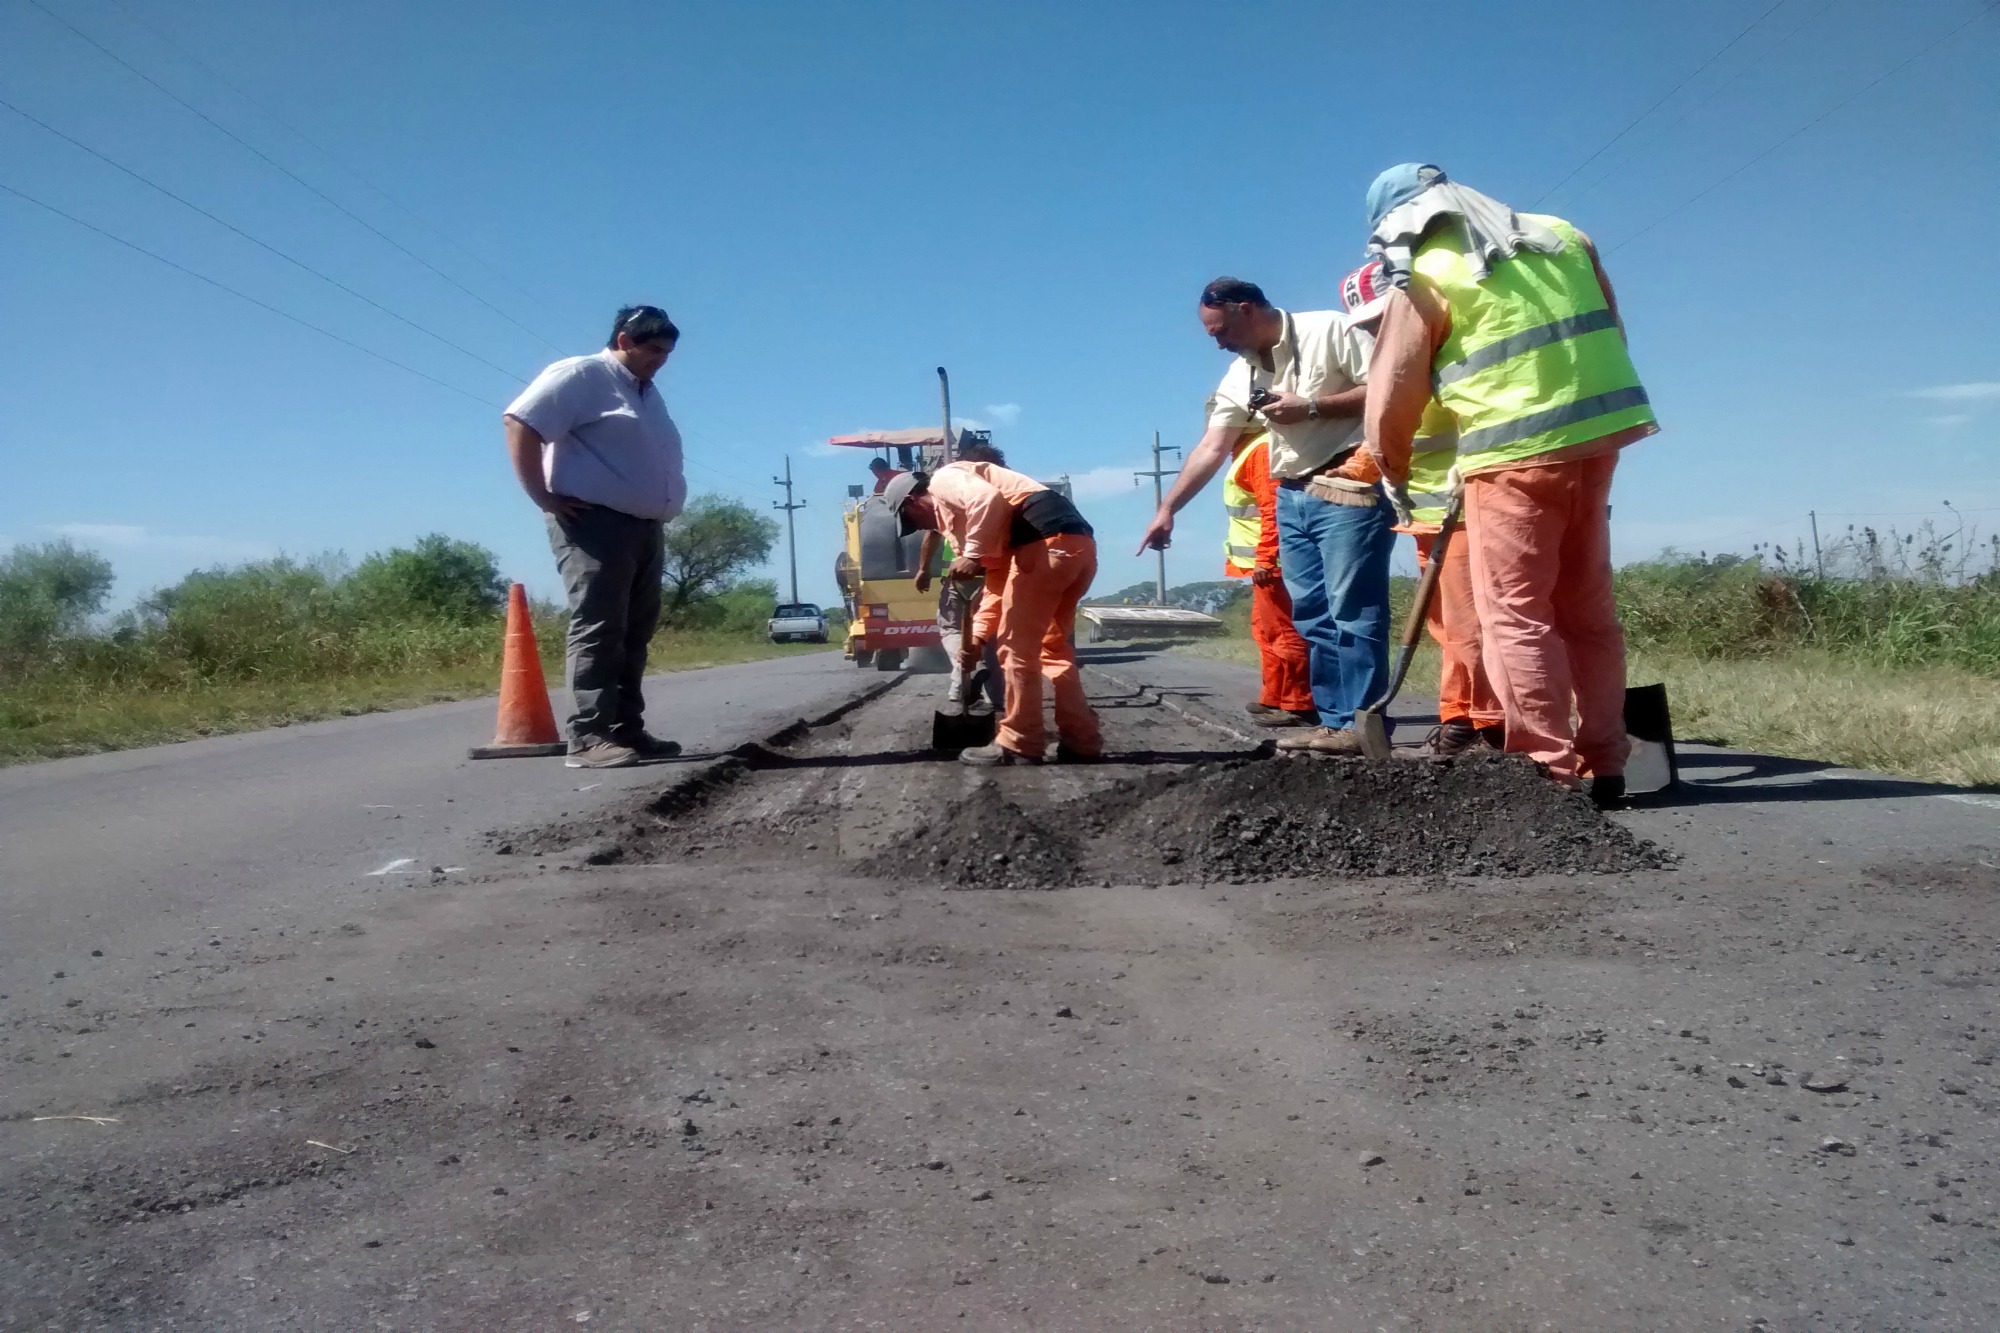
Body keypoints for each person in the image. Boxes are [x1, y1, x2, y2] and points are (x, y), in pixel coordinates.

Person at [1359, 164, 1658, 804]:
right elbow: (1610, 325)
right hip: (1597, 435)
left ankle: (1548, 772)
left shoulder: (1426, 272)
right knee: (1587, 611)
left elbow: (1392, 392)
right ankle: (1607, 763)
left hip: (1511, 452)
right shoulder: (1563, 235)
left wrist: (1391, 469)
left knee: (1515, 617)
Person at [1137, 277, 1392, 754]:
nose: (1217, 343)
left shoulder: (1329, 330)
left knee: (1353, 611)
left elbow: (1388, 386)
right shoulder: (1241, 373)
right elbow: (1212, 446)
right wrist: (1168, 509)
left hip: (1348, 482)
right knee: (1312, 614)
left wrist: (1312, 407)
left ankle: (1366, 727)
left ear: (1246, 309)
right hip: (1292, 492)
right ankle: (1335, 724)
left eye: (1220, 330)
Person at [503, 304, 687, 769]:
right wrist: (542, 496)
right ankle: (588, 738)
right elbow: (520, 421)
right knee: (600, 627)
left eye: (667, 353)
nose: (661, 360)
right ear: (624, 340)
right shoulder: (582, 375)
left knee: (634, 631)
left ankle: (625, 729)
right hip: (595, 523)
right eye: (653, 350)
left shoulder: (645, 393)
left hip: (643, 526)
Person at [1342, 260, 1504, 756]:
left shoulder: (1454, 354)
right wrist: (1351, 471)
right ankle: (1461, 713)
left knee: (1472, 624)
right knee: (1447, 625)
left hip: (1469, 510)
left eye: (1382, 319)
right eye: (1369, 325)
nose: (1376, 332)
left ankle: (1485, 722)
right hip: (1428, 517)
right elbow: (1387, 430)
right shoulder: (1400, 365)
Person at [887, 462, 1101, 766]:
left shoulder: (944, 479)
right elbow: (998, 586)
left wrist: (972, 554)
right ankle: (1082, 741)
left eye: (912, 521)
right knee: (1052, 649)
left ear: (912, 501)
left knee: (1015, 648)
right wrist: (977, 638)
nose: (921, 528)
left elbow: (985, 498)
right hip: (1076, 547)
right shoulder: (990, 524)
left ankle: (1020, 742)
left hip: (1042, 544)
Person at [1219, 420, 1315, 728]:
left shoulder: (1260, 449)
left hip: (1273, 563)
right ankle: (1275, 695)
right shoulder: (1249, 450)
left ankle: (1299, 704)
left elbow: (1274, 509)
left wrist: (1266, 558)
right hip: (1264, 564)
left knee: (1284, 633)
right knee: (1266, 632)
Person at [915, 441, 1006, 709]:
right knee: (990, 633)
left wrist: (923, 569)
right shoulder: (1004, 491)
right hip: (997, 574)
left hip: (962, 572)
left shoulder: (956, 489)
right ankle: (992, 695)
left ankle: (964, 673)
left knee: (951, 628)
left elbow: (932, 533)